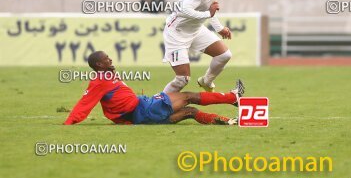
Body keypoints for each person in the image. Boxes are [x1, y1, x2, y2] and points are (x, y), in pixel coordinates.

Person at [63, 51, 244, 125]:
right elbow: (85, 103)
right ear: (98, 65)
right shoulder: (99, 81)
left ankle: (228, 121)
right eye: (106, 59)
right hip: (143, 110)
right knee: (188, 96)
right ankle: (232, 97)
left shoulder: (107, 76)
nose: (110, 60)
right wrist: (70, 121)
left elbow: (117, 102)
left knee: (190, 111)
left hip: (142, 111)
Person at [162, 0, 236, 93]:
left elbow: (211, 9)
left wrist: (219, 28)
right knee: (182, 79)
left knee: (224, 55)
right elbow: (182, 9)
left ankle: (206, 81)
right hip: (177, 32)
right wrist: (208, 14)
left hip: (195, 30)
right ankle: (154, 105)